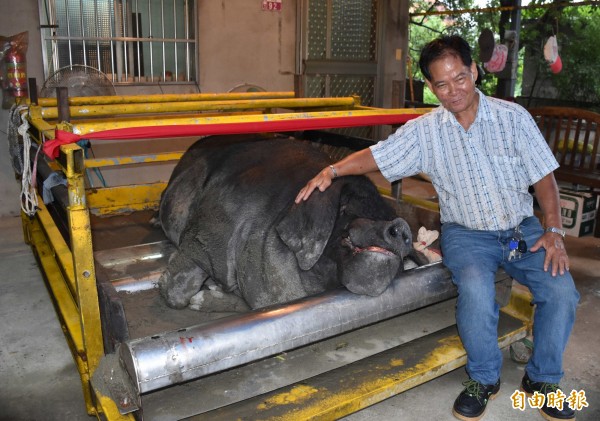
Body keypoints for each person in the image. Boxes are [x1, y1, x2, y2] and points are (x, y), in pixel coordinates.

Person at [295, 35, 579, 421]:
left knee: (560, 289)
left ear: (474, 71)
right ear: (430, 86)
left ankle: (543, 380)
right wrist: (331, 170)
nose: (453, 91)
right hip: (467, 232)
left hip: (521, 227)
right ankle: (483, 379)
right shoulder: (425, 131)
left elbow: (545, 180)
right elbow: (377, 156)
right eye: (441, 84)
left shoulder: (514, 119)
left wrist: (555, 232)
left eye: (460, 78)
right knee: (477, 291)